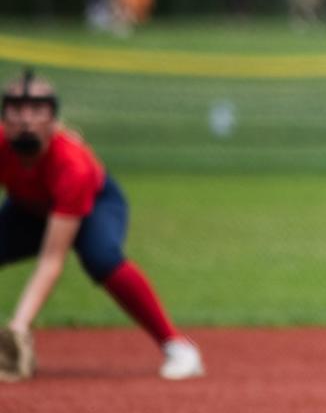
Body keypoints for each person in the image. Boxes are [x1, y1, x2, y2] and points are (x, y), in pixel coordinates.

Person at [0, 70, 204, 380]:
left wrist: (19, 325)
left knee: (102, 258)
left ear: (54, 119)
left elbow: (52, 259)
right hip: (29, 209)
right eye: (16, 109)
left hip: (95, 205)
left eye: (37, 109)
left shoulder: (72, 164)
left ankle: (177, 347)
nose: (26, 120)